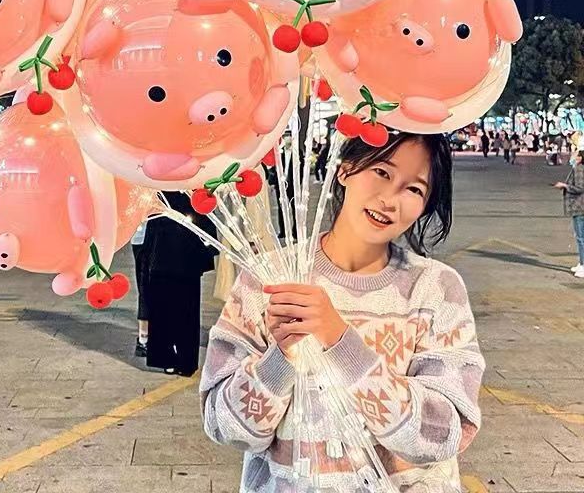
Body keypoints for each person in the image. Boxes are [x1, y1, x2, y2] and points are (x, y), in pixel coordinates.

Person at [200, 132, 483, 491]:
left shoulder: (436, 288)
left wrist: (341, 341)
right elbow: (224, 427)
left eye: (414, 189)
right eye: (382, 172)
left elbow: (443, 434)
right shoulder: (268, 280)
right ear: (345, 169)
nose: (389, 199)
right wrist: (280, 358)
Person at [144, 191, 218, 376]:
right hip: (174, 241)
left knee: (176, 306)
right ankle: (176, 359)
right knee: (173, 306)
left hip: (179, 241)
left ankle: (178, 359)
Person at [555, 151, 584, 279]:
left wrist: (565, 186)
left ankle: (583, 265)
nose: (573, 156)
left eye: (576, 154)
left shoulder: (579, 169)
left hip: (579, 206)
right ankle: (581, 262)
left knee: (581, 238)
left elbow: (580, 188)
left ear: (580, 158)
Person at [131, 220, 150, 357]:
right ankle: (144, 337)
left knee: (145, 286)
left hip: (142, 235)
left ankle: (144, 338)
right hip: (143, 235)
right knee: (146, 286)